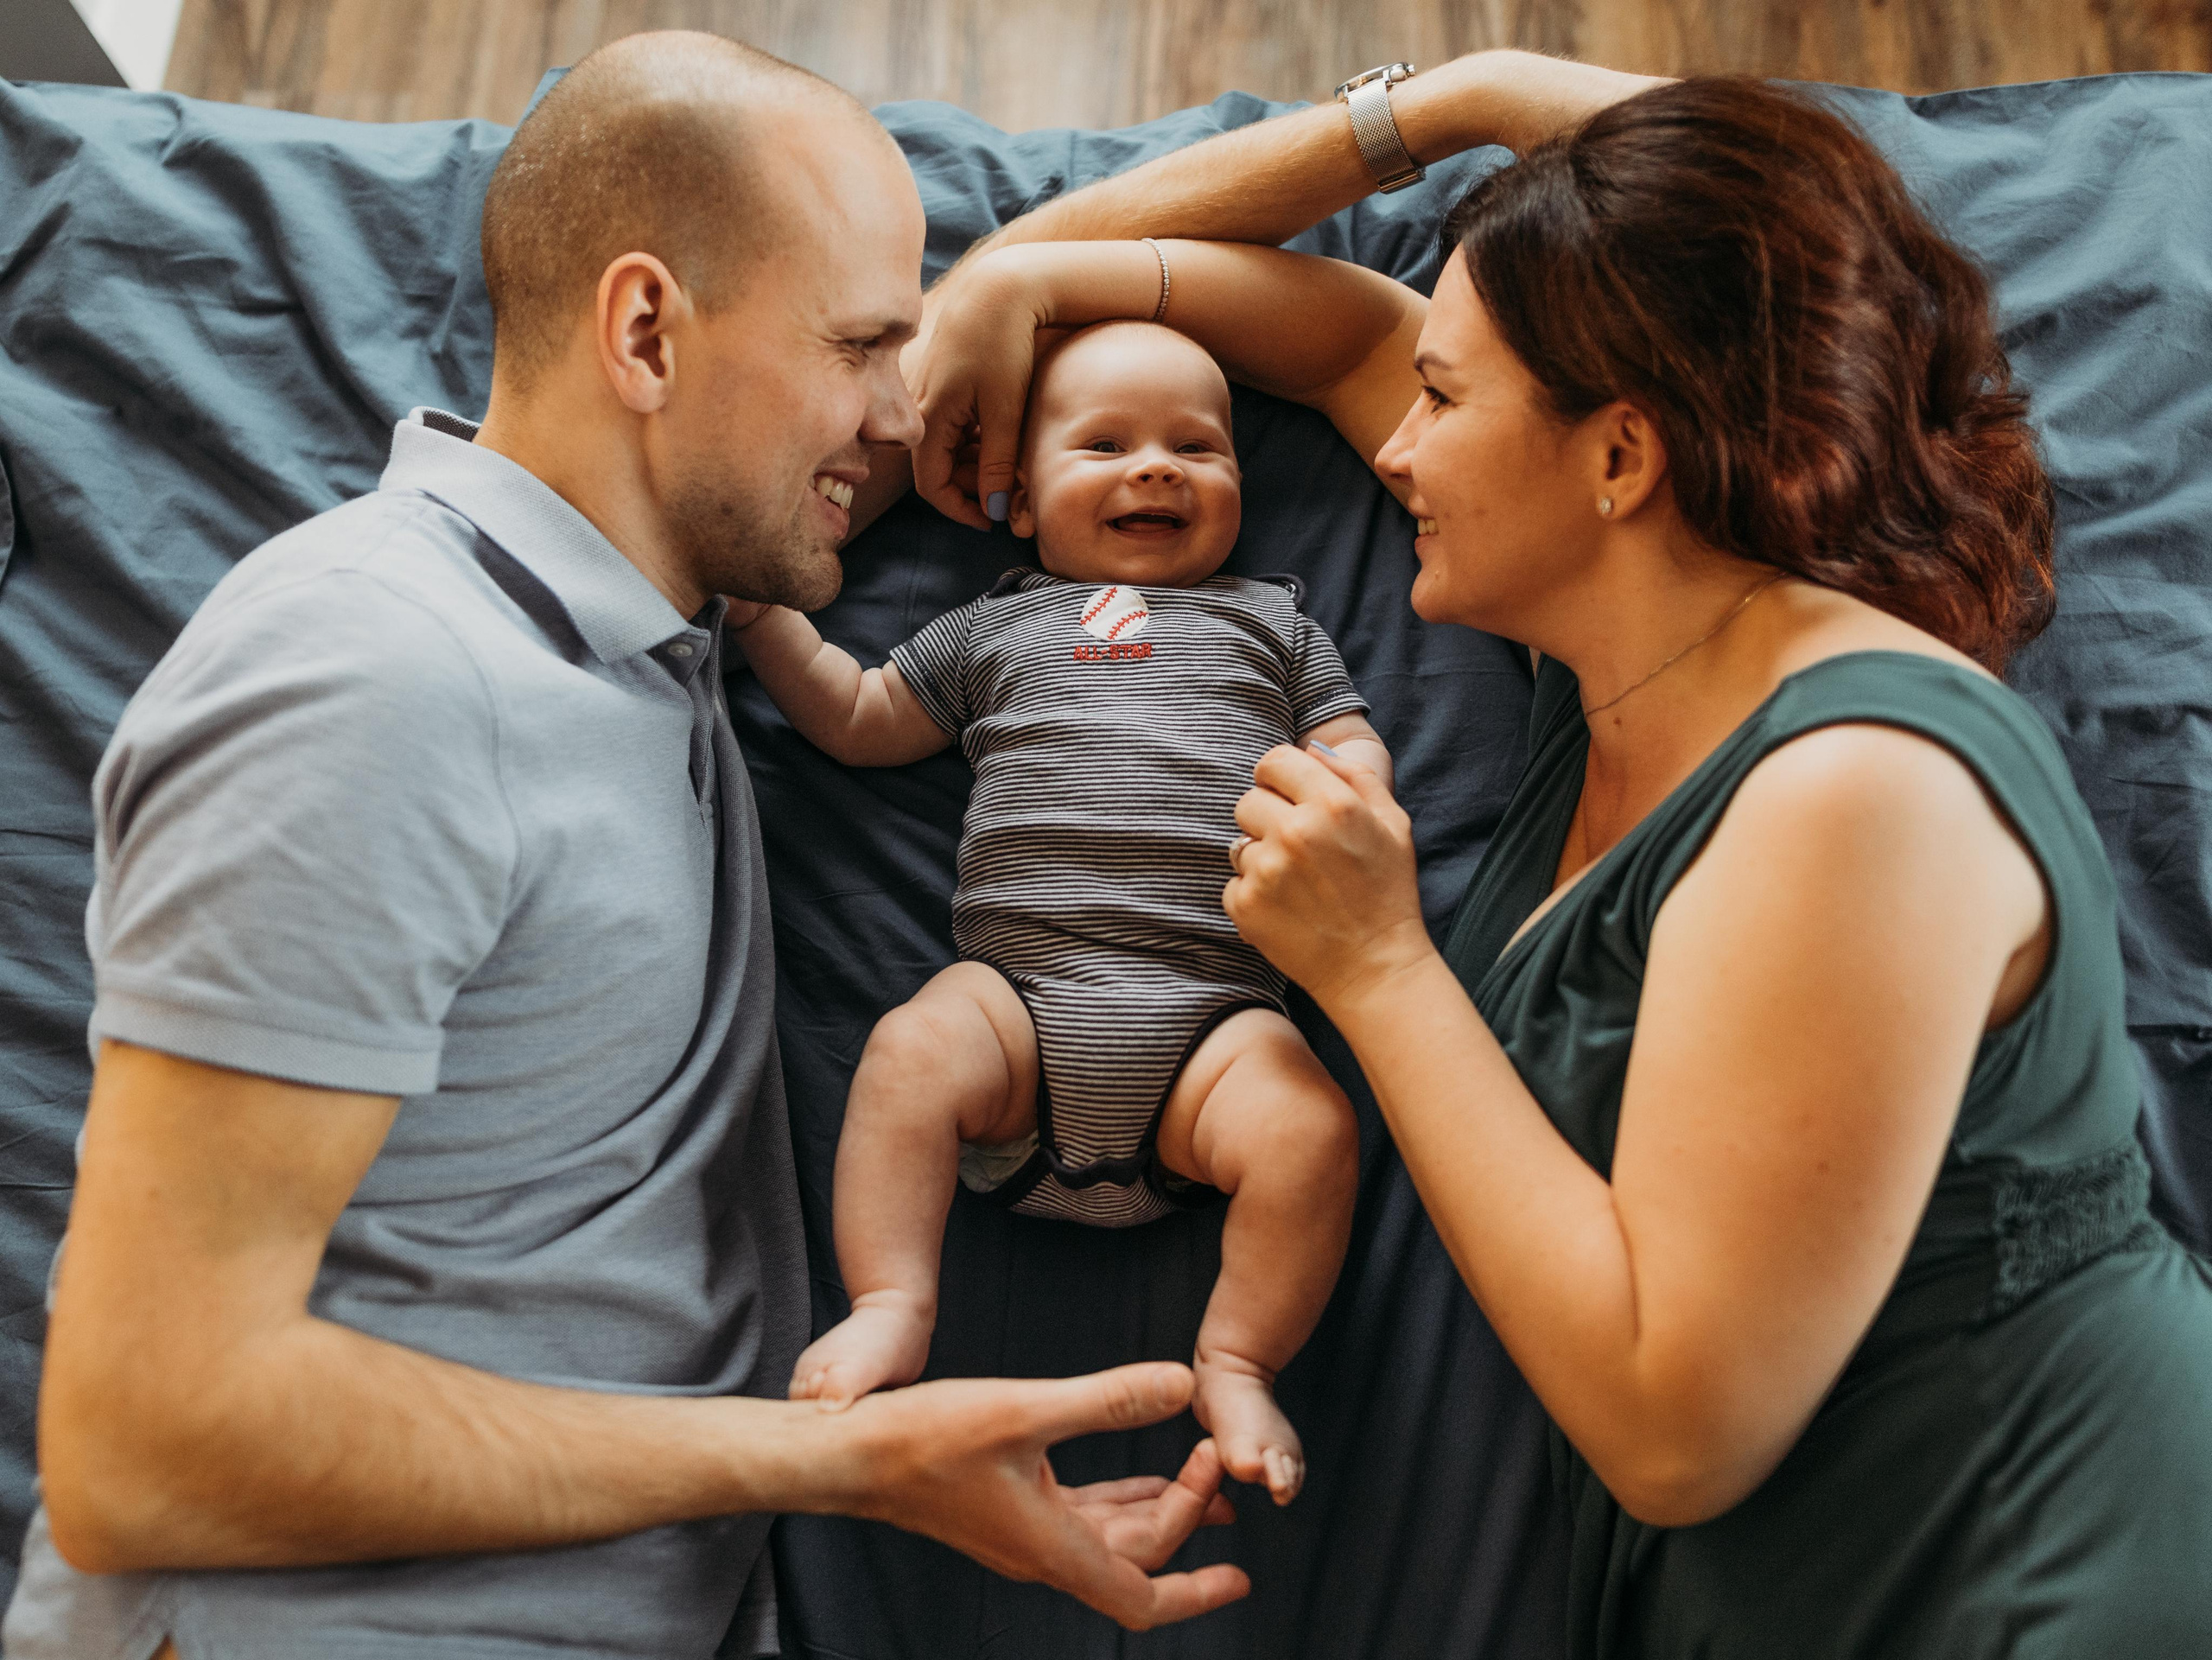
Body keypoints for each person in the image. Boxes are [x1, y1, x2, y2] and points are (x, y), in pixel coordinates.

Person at [906, 69, 2212, 1659]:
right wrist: (1022, 275)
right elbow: (1317, 332)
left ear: (1620, 460)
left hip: (2050, 1579)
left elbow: (1675, 1428)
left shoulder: (1859, 794)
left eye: (1444, 401)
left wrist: (1377, 966)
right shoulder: (1618, 651)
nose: (1394, 448)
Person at [3, 35, 1255, 1660]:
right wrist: (845, 1461)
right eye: (864, 345)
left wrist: (1425, 116)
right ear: (648, 331)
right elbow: (149, 1447)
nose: (905, 414)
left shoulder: (668, 593)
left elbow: (1021, 288)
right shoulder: (371, 673)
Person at [734, 318, 1389, 1506]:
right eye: (1106, 444)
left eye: (1198, 446)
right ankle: (893, 1303)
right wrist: (764, 617)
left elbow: (1350, 745)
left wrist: (1358, 791)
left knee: (1310, 1130)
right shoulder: (998, 626)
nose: (1156, 467)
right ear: (1022, 501)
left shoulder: (1275, 626)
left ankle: (1237, 1356)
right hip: (1019, 1009)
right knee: (909, 1050)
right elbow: (859, 712)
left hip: (1214, 1020)